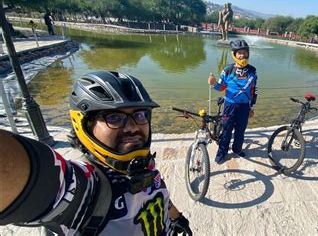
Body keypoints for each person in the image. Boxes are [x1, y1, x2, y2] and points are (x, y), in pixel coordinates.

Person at [0, 71, 192, 235]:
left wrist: (176, 218)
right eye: (114, 117)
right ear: (84, 125)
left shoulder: (142, 164)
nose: (132, 127)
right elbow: (27, 176)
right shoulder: (87, 188)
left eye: (140, 115)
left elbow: (157, 192)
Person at [207, 39, 258, 164]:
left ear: (248, 54)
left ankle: (237, 149)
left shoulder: (253, 70)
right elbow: (221, 87)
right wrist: (213, 83)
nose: (242, 55)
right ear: (234, 54)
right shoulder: (228, 70)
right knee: (226, 130)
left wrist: (251, 107)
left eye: (244, 52)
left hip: (244, 107)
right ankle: (222, 152)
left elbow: (254, 90)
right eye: (239, 53)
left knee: (240, 131)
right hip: (229, 105)